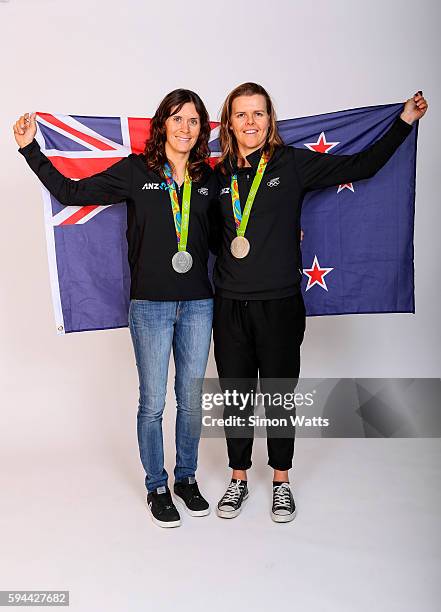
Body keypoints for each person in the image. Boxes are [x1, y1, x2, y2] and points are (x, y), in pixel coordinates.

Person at [212, 83, 428, 522]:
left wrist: (403, 121)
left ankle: (281, 480)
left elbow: (362, 165)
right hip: (230, 305)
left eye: (258, 113)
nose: (250, 122)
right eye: (241, 114)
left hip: (280, 304)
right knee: (236, 395)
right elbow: (204, 234)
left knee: (279, 395)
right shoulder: (215, 178)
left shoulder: (291, 164)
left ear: (270, 119)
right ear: (228, 122)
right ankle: (237, 478)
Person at [13, 89, 219, 529]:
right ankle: (157, 485)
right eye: (177, 119)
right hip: (149, 306)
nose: (185, 128)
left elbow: (224, 237)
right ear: (162, 124)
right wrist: (31, 149)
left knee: (191, 400)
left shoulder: (209, 179)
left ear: (202, 130)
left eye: (194, 121)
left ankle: (187, 478)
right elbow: (71, 191)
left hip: (200, 304)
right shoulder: (135, 171)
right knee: (153, 402)